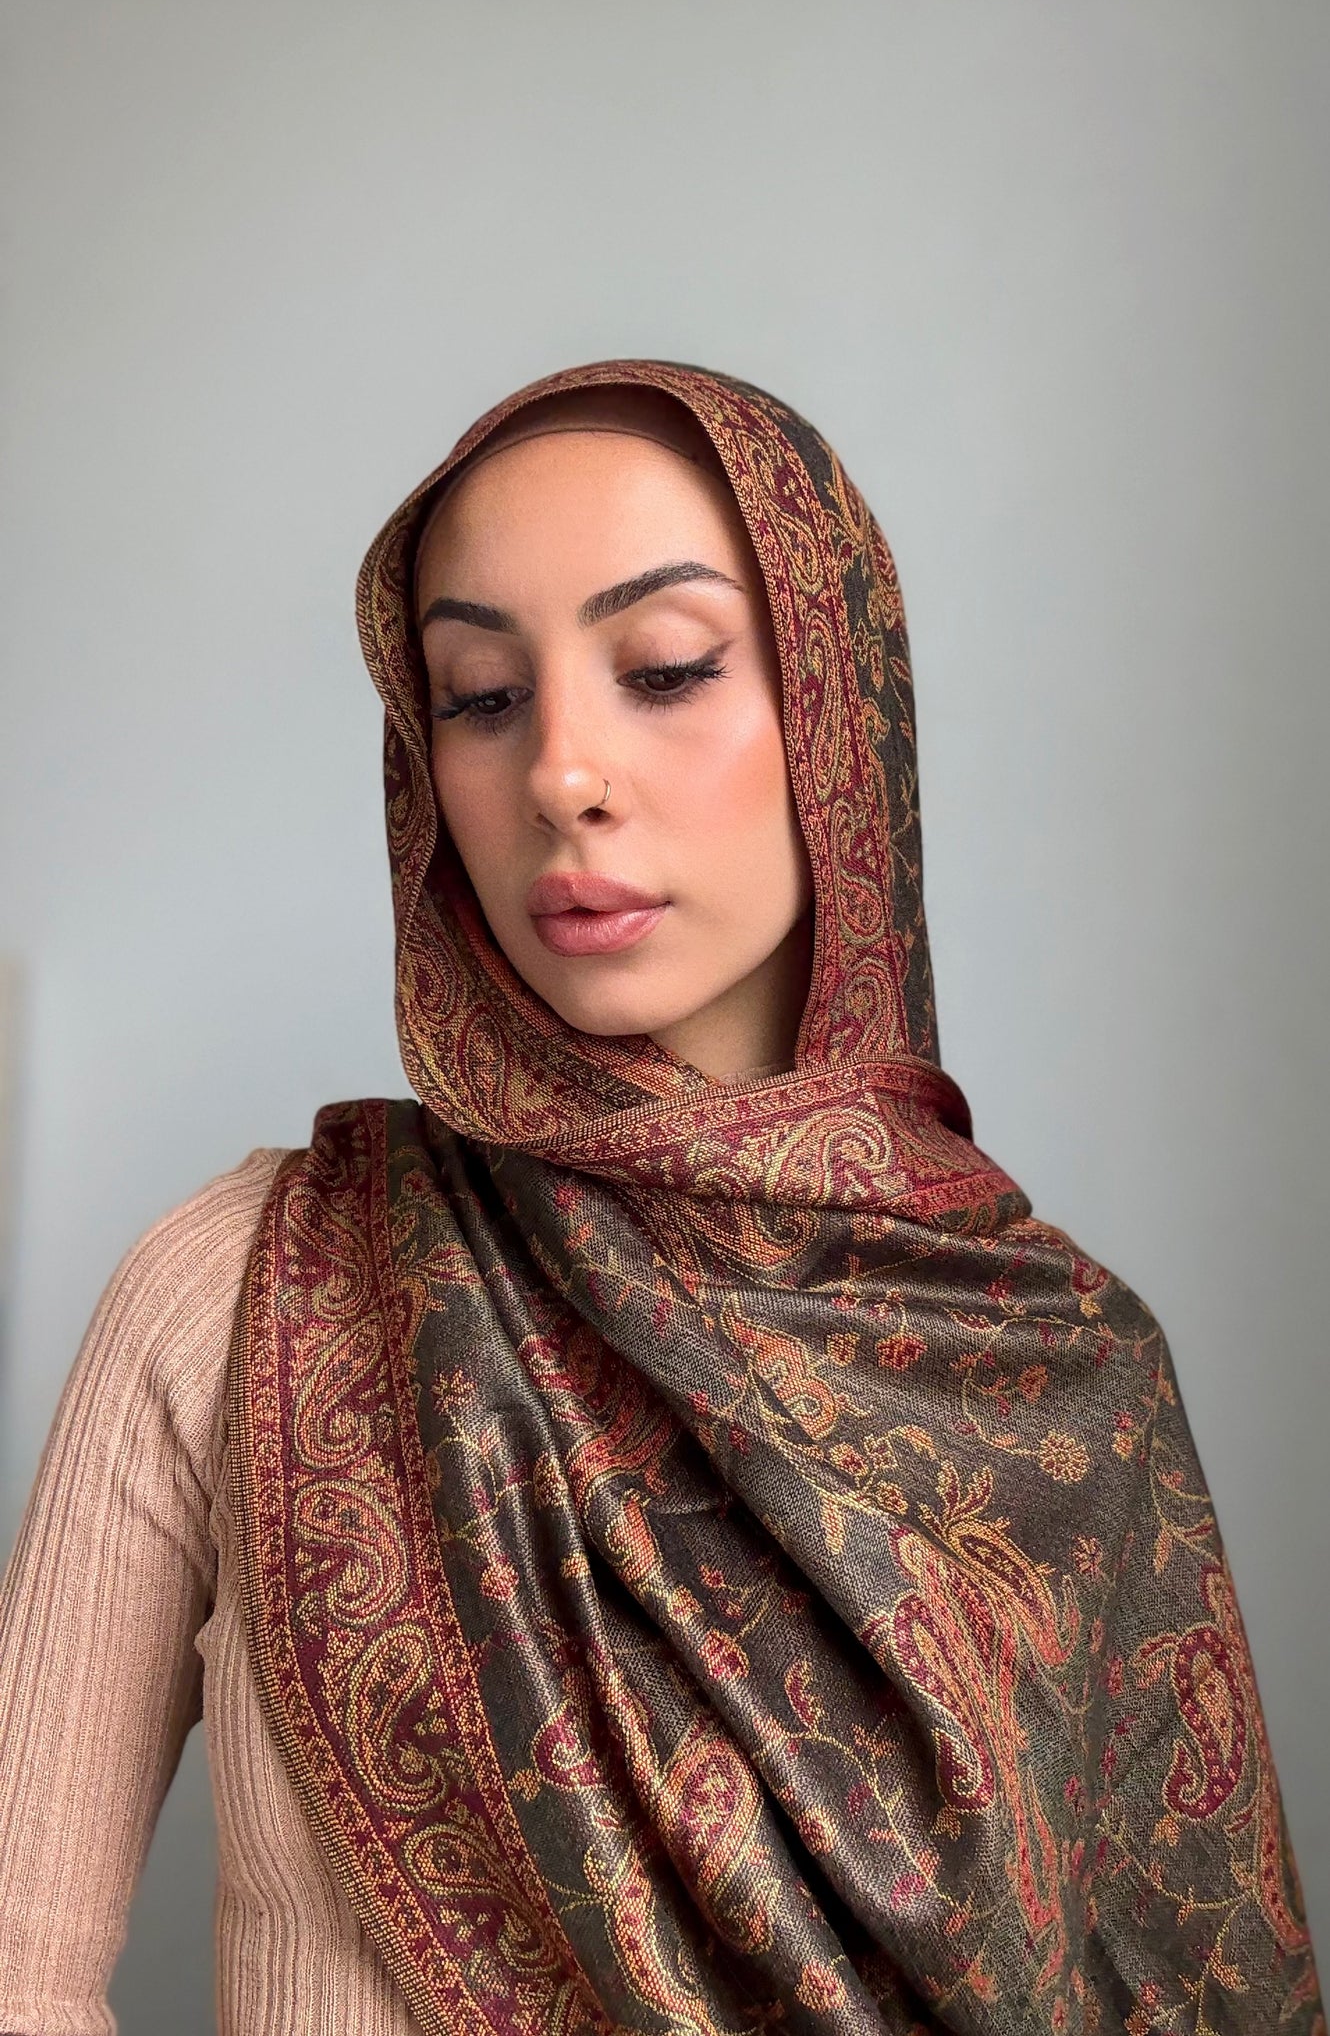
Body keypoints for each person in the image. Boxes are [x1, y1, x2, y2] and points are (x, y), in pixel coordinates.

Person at [0, 360, 1320, 2036]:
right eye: (481, 696)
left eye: (666, 669)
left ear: (835, 715)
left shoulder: (1063, 1383)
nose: (561, 773)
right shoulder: (255, 1284)